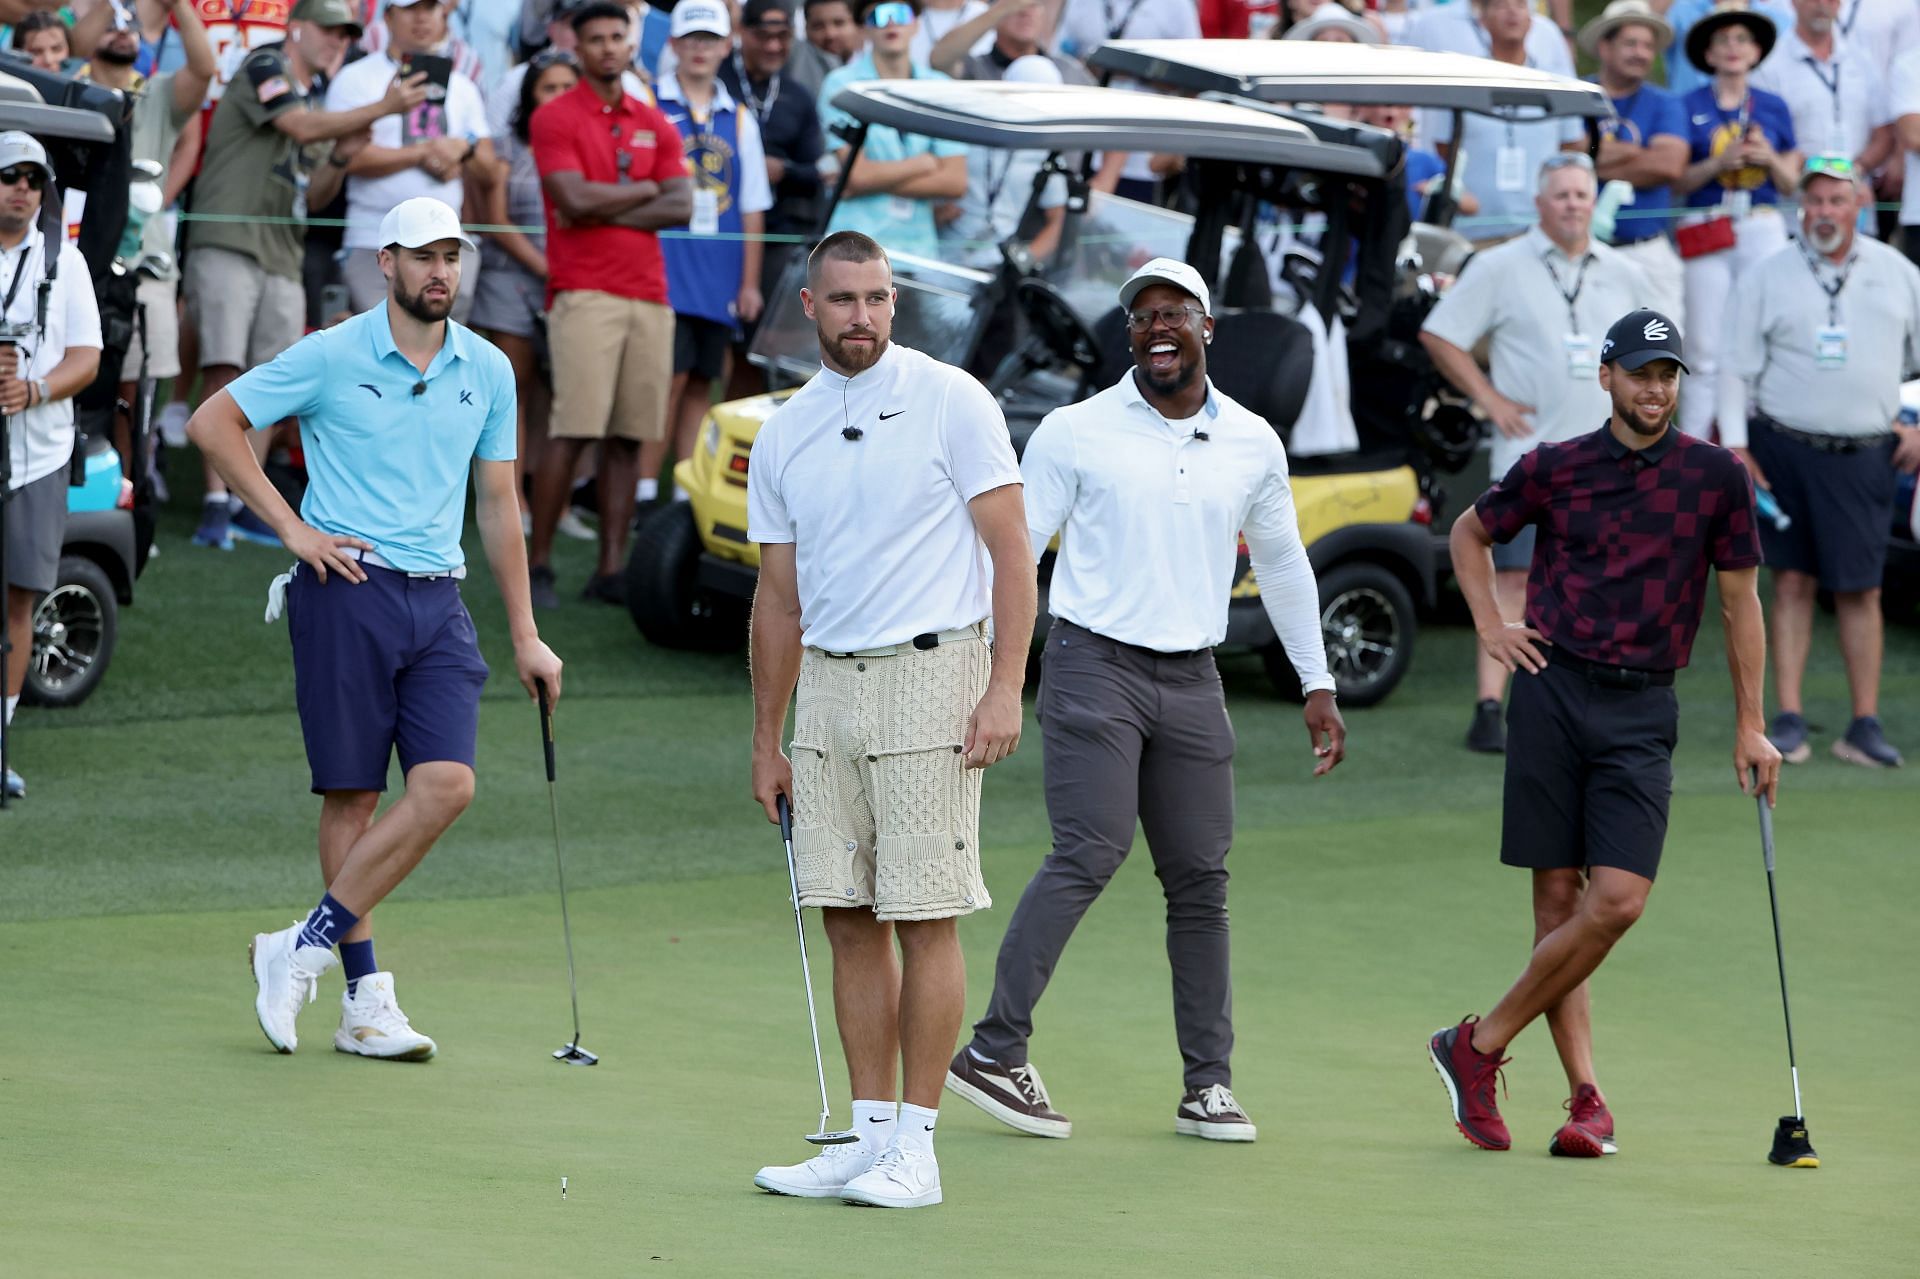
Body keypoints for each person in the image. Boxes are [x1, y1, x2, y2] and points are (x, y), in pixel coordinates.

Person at [946, 259, 1346, 1145]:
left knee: (1202, 879)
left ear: (1209, 329)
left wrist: (1315, 679)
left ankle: (1207, 1084)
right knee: (1090, 848)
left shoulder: (1251, 440)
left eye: (1175, 314)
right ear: (1128, 335)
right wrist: (988, 673)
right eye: (1141, 318)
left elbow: (1281, 562)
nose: (1156, 329)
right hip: (1094, 665)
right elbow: (1014, 552)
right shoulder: (1075, 429)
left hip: (1194, 676)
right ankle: (992, 1048)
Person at [186, 196, 562, 1061]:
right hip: (345, 588)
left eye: (452, 257)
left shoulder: (490, 369)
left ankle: (301, 946)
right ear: (386, 261)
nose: (441, 272)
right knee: (352, 794)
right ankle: (363, 998)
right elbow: (214, 422)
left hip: (441, 600)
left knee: (447, 785)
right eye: (424, 256)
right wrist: (293, 529)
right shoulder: (332, 352)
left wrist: (526, 634)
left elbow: (499, 502)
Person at [1428, 308, 1779, 1157]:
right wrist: (1488, 627)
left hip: (1642, 708)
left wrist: (1752, 725)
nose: (1655, 389)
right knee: (1556, 903)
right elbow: (1469, 534)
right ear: (1608, 377)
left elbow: (1740, 605)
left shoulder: (1714, 477)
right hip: (1552, 691)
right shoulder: (1555, 466)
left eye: (1667, 376)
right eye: (1641, 373)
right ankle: (1588, 1099)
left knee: (1615, 900)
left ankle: (1475, 1045)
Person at [746, 230, 1034, 1209]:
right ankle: (867, 1136)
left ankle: (919, 1146)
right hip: (827, 687)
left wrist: (1005, 685)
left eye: (875, 298)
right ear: (809, 305)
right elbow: (777, 599)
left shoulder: (954, 399)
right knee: (846, 913)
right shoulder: (785, 429)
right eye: (842, 300)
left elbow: (1011, 552)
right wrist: (767, 737)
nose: (860, 316)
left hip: (933, 674)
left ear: (893, 303)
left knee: (924, 911)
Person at [1420, 154, 1650, 753]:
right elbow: (1441, 332)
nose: (1574, 204)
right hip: (1528, 458)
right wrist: (1489, 398)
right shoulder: (1500, 265)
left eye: (1582, 194)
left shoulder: (1625, 272)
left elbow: (1650, 361)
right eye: (1563, 195)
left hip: (1609, 460)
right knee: (1516, 579)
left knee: (1601, 582)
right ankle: (1490, 706)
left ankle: (1580, 704)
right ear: (1539, 204)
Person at [183, 0, 430, 552]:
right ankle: (213, 503)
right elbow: (295, 125)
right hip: (230, 236)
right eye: (329, 31)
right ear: (297, 27)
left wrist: (341, 158)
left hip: (281, 248)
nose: (338, 43)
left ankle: (246, 503)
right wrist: (380, 108)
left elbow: (315, 194)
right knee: (224, 365)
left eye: (346, 35)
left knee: (268, 381)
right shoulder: (265, 64)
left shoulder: (318, 100)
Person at [1719, 155, 1920, 767]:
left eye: (1836, 200)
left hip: (1864, 453)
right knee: (1792, 585)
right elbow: (1733, 363)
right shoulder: (1766, 274)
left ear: (1859, 204)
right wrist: (1736, 445)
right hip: (1783, 448)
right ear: (1799, 207)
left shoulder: (1899, 271)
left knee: (1862, 590)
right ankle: (1787, 717)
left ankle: (1864, 723)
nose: (1824, 213)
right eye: (1814, 201)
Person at [526, 0, 691, 607]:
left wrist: (607, 200)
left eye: (616, 37)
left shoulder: (654, 119)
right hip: (583, 290)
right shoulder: (554, 116)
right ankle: (539, 563)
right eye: (594, 39)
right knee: (573, 429)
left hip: (649, 293)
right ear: (578, 47)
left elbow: (682, 205)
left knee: (628, 436)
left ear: (630, 43)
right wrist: (646, 190)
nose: (606, 47)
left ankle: (611, 569)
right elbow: (568, 195)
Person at [0, 131, 103, 802]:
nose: (23, 189)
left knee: (20, 597)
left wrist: (33, 389)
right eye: (10, 175)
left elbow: (86, 357)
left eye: (34, 179)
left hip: (36, 453)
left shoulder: (65, 263)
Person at [638, 0, 771, 500]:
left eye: (710, 40)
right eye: (690, 39)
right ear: (672, 44)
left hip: (719, 269)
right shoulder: (650, 102)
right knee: (664, 381)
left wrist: (749, 282)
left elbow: (754, 204)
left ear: (726, 45)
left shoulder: (738, 117)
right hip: (662, 266)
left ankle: (683, 490)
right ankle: (644, 490)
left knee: (701, 380)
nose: (700, 49)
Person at [86, 0, 216, 466]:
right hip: (80, 265)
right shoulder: (69, 87)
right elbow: (77, 45)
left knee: (137, 389)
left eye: (132, 26)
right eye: (113, 25)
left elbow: (205, 68)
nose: (124, 33)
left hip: (145, 265)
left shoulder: (156, 93)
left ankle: (133, 488)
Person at [327, 0, 499, 325]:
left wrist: (463, 148)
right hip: (373, 239)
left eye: (431, 8)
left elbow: (489, 170)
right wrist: (422, 153)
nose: (421, 18)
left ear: (444, 15)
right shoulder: (355, 78)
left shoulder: (463, 86)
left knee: (440, 359)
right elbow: (344, 159)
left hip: (446, 243)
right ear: (388, 17)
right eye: (410, 8)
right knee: (380, 350)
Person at [1672, 3, 1797, 440]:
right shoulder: (1686, 104)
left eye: (1741, 39)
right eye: (1722, 40)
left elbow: (1791, 182)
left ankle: (1756, 444)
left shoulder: (1775, 106)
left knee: (1762, 337)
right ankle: (1692, 448)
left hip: (1760, 223)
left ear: (1756, 51)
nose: (1732, 48)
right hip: (1705, 222)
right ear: (1707, 54)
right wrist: (1717, 163)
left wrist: (1769, 159)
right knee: (1703, 347)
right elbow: (1678, 181)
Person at [473, 48, 579, 526]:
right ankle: (510, 496)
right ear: (530, 95)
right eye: (548, 87)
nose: (558, 97)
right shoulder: (504, 147)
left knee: (557, 391)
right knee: (511, 387)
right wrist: (545, 267)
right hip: (510, 276)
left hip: (569, 280)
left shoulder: (585, 144)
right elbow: (494, 221)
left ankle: (548, 494)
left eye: (566, 88)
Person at [1421, 0, 1587, 246]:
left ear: (1532, 20)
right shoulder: (1461, 82)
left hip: (1538, 232)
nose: (1512, 12)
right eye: (1501, 5)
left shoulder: (1555, 83)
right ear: (1482, 20)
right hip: (1472, 232)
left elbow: (1572, 144)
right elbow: (1443, 149)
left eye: (1521, 5)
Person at [817, 0, 967, 260]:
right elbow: (858, 176)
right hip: (853, 250)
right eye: (877, 15)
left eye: (899, 13)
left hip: (919, 252)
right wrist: (924, 163)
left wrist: (866, 180)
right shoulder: (841, 84)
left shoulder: (941, 86)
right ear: (864, 29)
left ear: (916, 23)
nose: (889, 23)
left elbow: (955, 182)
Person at [719, 0, 826, 352]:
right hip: (720, 229)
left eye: (783, 37)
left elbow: (818, 172)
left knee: (767, 344)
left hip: (777, 232)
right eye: (763, 36)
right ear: (741, 33)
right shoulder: (719, 81)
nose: (773, 47)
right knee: (714, 347)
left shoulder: (797, 96)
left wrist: (784, 171)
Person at [1580, 0, 1688, 326]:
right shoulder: (1578, 94)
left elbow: (1669, 165)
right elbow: (1570, 157)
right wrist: (1639, 153)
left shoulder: (1665, 101)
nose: (1640, 53)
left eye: (1647, 45)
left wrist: (1598, 156)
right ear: (1604, 46)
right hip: (1587, 248)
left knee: (1662, 349)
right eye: (1630, 43)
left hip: (1648, 250)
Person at [936, 53, 1069, 269]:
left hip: (997, 263)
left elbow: (1058, 220)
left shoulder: (1046, 152)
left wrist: (1022, 260)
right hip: (942, 251)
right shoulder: (969, 130)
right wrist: (935, 214)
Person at [1750, 0, 1893, 184]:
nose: (1821, 5)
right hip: (1796, 196)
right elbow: (1765, 137)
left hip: (1855, 195)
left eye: (1830, 0)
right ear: (1793, 3)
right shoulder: (1769, 65)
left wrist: (1854, 172)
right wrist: (1821, 178)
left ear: (1840, 4)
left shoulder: (1861, 58)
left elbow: (1884, 133)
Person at [928, 0, 1095, 85]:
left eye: (1033, 4)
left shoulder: (1068, 69)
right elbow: (939, 59)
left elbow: (1106, 115)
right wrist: (1002, 8)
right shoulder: (975, 70)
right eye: (1015, 4)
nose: (1025, 12)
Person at [1664, 0, 1795, 99]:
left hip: (1757, 120)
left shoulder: (1783, 23)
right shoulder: (1681, 10)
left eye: (1742, 38)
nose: (1732, 45)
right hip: (1688, 125)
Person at [791, 0, 859, 100]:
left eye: (839, 23)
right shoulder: (795, 65)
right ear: (806, 30)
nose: (830, 34)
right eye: (818, 26)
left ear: (858, 24)